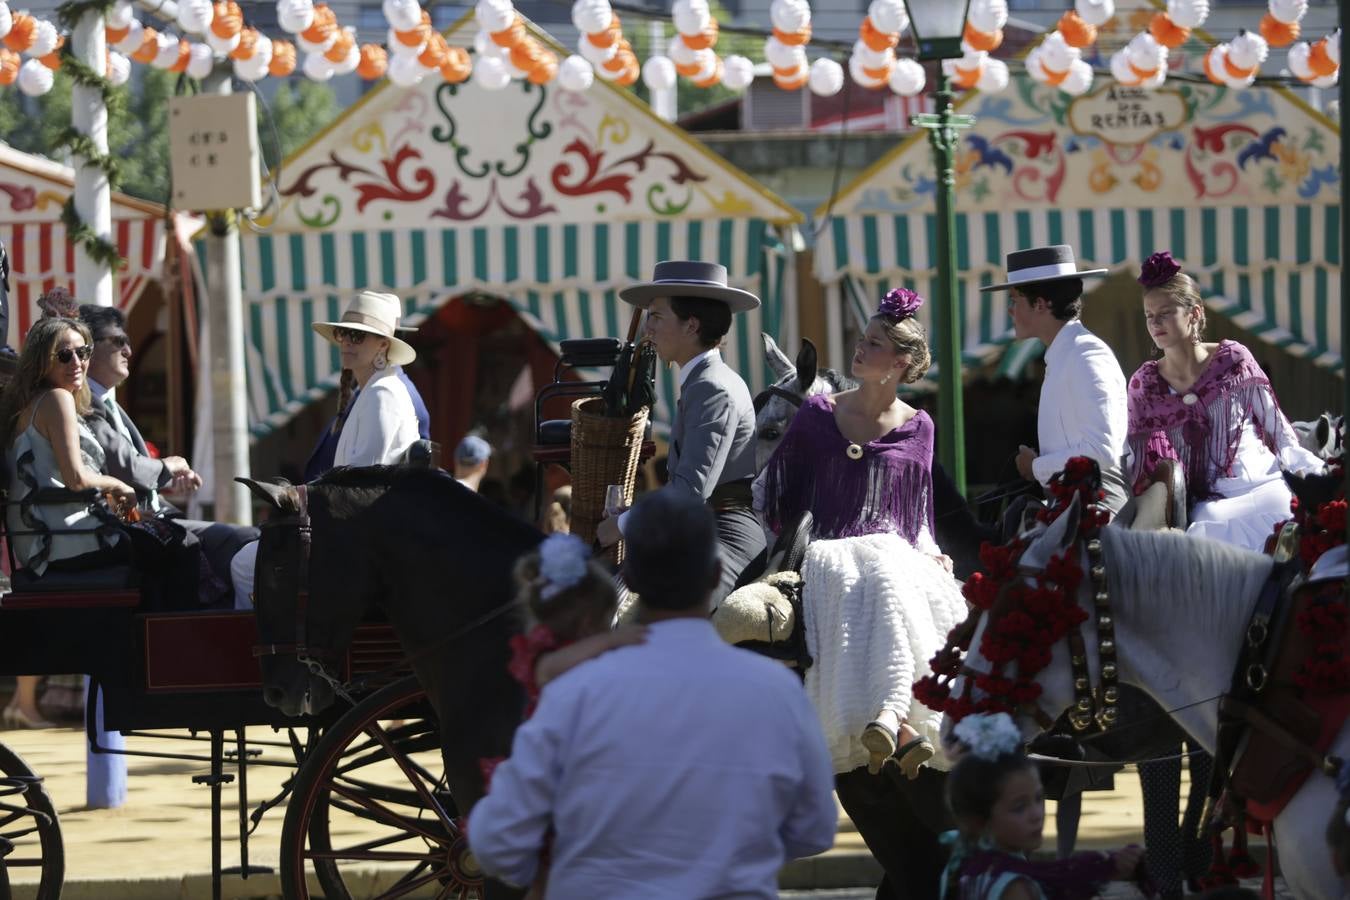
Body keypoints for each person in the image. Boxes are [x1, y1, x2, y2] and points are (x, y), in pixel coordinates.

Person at [468, 491, 838, 898]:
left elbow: (499, 841)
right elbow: (814, 829)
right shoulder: (777, 693)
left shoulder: (576, 691)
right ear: (716, 575)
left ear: (635, 579)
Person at [756, 287, 969, 900]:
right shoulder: (817, 414)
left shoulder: (920, 426)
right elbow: (780, 494)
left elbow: (918, 514)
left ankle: (897, 719)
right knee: (870, 568)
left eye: (874, 343)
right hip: (827, 548)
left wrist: (932, 552)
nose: (861, 347)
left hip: (892, 551)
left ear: (899, 362)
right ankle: (889, 720)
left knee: (911, 575)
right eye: (864, 338)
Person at [478, 531, 647, 899]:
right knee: (547, 873)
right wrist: (614, 641)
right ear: (588, 625)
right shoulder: (545, 658)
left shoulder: (583, 659)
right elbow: (558, 668)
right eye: (604, 623)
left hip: (573, 777)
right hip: (552, 779)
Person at [230, 291, 421, 609]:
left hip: (359, 539)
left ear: (383, 345)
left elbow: (361, 488)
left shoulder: (383, 394)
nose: (347, 342)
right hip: (356, 531)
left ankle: (281, 653)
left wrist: (304, 501)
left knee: (243, 564)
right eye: (343, 333)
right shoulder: (374, 390)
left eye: (358, 336)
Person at [595, 261, 766, 610]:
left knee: (646, 610)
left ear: (691, 325)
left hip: (724, 537)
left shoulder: (712, 386)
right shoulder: (701, 381)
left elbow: (690, 492)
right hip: (701, 532)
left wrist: (622, 524)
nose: (648, 328)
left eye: (657, 316)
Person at [1126, 251, 1324, 552]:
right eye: (1149, 316)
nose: (1155, 323)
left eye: (1165, 313)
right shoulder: (1146, 383)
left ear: (1193, 314)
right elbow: (1137, 460)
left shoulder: (1233, 358)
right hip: (1211, 501)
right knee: (1208, 533)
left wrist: (1312, 472)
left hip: (1265, 482)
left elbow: (1278, 430)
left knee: (1288, 523)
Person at [78, 303, 258, 605]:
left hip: (147, 517)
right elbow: (126, 466)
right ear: (91, 349)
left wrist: (165, 484)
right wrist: (171, 464)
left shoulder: (108, 402)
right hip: (126, 526)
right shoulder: (88, 401)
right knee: (245, 541)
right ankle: (242, 631)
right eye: (118, 341)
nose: (129, 351)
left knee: (247, 542)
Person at [979, 245, 1129, 515]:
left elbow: (1102, 451)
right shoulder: (1068, 353)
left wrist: (1035, 467)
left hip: (1097, 507)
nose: (1011, 310)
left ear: (1040, 304)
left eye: (1015, 300)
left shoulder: (1087, 355)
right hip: (1072, 502)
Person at [941, 712, 1146, 900]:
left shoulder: (966, 864)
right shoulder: (1014, 887)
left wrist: (1107, 868)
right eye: (1019, 807)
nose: (1036, 814)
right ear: (979, 819)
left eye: (1039, 799)